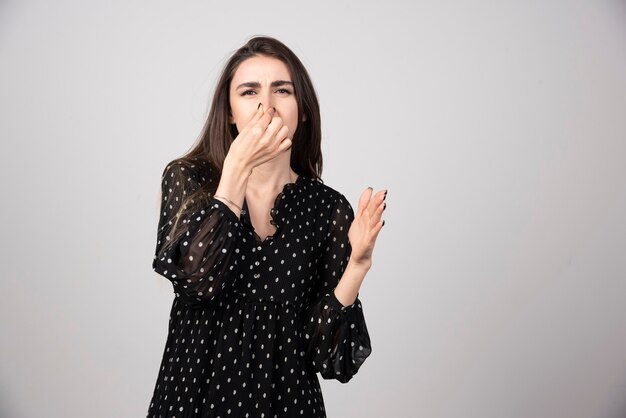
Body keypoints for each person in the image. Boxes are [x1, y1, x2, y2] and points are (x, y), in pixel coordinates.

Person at [147, 35, 387, 418]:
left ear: (302, 110)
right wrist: (237, 170)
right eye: (248, 91)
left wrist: (357, 265)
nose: (266, 105)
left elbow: (327, 358)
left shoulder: (327, 209)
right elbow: (195, 281)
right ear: (229, 112)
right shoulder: (188, 179)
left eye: (282, 90)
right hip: (192, 402)